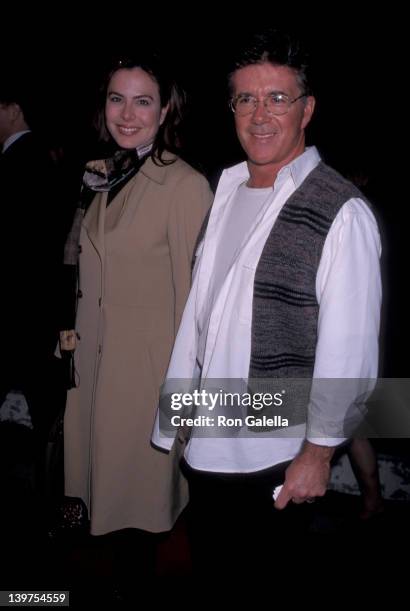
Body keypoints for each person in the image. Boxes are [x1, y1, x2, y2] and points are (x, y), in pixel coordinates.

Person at [152, 29, 382, 572]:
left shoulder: (340, 210)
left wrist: (319, 454)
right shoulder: (227, 189)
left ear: (307, 110)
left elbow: (349, 351)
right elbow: (201, 317)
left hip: (276, 453)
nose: (260, 114)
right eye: (246, 99)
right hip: (208, 445)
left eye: (277, 98)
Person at [59, 52, 212, 577]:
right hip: (93, 373)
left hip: (145, 386)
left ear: (166, 109)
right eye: (116, 98)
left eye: (143, 101)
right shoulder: (100, 174)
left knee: (136, 525)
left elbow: (198, 309)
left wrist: (184, 407)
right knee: (98, 510)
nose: (127, 113)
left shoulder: (184, 186)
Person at [0, 74, 65, 500]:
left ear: (12, 109)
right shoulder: (39, 158)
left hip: (19, 318)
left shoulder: (23, 162)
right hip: (30, 317)